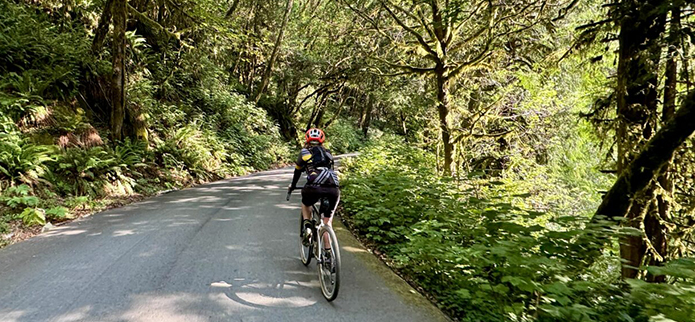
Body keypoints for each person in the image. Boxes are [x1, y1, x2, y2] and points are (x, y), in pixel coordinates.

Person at [288, 128, 340, 246]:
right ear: (322, 141)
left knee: (306, 203)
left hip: (313, 187)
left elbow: (297, 172)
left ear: (307, 140)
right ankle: (328, 253)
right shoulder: (328, 153)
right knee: (327, 222)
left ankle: (307, 225)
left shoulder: (304, 153)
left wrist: (293, 186)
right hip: (333, 188)